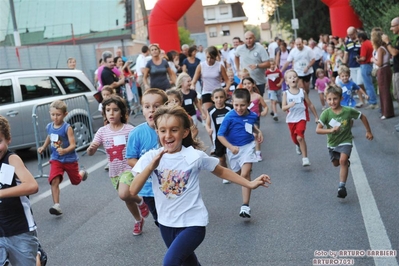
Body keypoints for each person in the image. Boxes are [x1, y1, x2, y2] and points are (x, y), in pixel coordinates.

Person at [129, 104, 271, 266]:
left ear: (185, 132)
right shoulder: (151, 157)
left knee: (170, 262)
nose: (168, 135)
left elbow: (222, 171)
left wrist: (250, 183)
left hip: (193, 223)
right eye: (163, 130)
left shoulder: (194, 156)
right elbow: (133, 189)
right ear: (157, 132)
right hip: (166, 223)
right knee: (189, 263)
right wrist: (150, 167)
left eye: (174, 130)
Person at [86, 95, 149, 235]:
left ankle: (140, 201)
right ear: (104, 113)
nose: (111, 113)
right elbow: (91, 150)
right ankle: (138, 220)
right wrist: (91, 149)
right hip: (115, 172)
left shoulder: (129, 129)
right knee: (126, 198)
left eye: (115, 110)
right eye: (108, 110)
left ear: (122, 112)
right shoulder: (102, 131)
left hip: (129, 168)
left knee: (123, 194)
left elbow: (137, 147)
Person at [316, 85, 373, 198]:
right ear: (326, 99)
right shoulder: (326, 113)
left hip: (346, 141)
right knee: (336, 163)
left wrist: (368, 131)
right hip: (332, 143)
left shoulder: (347, 111)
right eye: (330, 99)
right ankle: (344, 163)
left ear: (341, 98)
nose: (332, 102)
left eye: (335, 98)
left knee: (343, 160)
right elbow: (318, 130)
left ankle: (341, 187)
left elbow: (362, 116)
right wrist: (331, 130)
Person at [217, 89, 265, 218]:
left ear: (249, 103)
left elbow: (251, 126)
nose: (239, 108)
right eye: (236, 105)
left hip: (248, 146)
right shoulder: (229, 117)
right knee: (238, 175)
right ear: (232, 103)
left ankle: (245, 206)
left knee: (245, 174)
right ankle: (246, 174)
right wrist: (231, 147)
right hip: (233, 149)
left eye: (242, 105)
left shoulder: (252, 115)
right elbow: (220, 135)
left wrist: (258, 132)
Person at [0, 115, 40, 265]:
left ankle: (38, 254)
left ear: (8, 139)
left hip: (19, 230)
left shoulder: (11, 159)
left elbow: (32, 186)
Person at [126, 88, 169, 227]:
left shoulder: (171, 130)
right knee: (160, 221)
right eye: (147, 107)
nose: (151, 110)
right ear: (142, 110)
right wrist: (149, 166)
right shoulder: (136, 133)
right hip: (149, 189)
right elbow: (130, 159)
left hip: (171, 185)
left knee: (174, 220)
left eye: (157, 106)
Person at [37, 100, 88, 216]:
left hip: (69, 159)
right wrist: (43, 147)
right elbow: (50, 137)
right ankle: (57, 205)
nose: (55, 117)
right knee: (54, 180)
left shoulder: (67, 128)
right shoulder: (49, 126)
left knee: (76, 181)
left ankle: (82, 173)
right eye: (52, 114)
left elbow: (73, 145)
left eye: (58, 115)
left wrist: (65, 150)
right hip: (56, 159)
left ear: (65, 114)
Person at [282, 70, 319, 166]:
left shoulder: (302, 92)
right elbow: (283, 108)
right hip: (291, 119)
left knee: (300, 137)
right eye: (290, 77)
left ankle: (305, 158)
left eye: (294, 76)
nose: (292, 79)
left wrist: (316, 117)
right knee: (295, 139)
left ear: (297, 79)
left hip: (301, 117)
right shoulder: (286, 94)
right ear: (286, 82)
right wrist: (289, 105)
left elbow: (310, 104)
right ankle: (297, 145)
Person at [191, 46, 231, 119]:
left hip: (218, 92)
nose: (209, 60)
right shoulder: (201, 66)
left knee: (220, 115)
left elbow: (227, 80)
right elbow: (194, 80)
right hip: (206, 92)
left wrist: (227, 88)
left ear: (215, 57)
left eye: (212, 58)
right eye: (207, 57)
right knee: (209, 116)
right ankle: (210, 129)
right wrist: (193, 86)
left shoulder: (219, 66)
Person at [205, 88, 233, 184]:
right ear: (212, 99)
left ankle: (236, 170)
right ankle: (226, 174)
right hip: (218, 138)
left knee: (232, 154)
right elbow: (207, 123)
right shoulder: (211, 110)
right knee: (221, 158)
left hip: (230, 136)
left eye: (221, 97)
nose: (219, 100)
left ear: (225, 97)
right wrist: (209, 129)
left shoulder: (230, 108)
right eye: (216, 97)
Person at [235, 31, 270, 96]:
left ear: (254, 38)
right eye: (246, 39)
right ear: (244, 39)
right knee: (246, 102)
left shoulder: (260, 48)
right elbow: (236, 56)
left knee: (258, 102)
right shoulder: (240, 48)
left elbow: (268, 64)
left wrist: (257, 65)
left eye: (250, 38)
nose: (248, 41)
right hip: (246, 82)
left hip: (258, 81)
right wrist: (238, 69)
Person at [242, 77, 268, 161]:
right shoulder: (242, 96)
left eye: (249, 83)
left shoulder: (257, 96)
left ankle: (258, 152)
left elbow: (265, 106)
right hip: (244, 119)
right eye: (245, 84)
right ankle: (248, 152)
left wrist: (265, 111)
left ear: (253, 84)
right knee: (246, 135)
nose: (247, 85)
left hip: (255, 119)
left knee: (255, 134)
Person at [371, 28, 395, 119]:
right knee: (384, 90)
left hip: (382, 69)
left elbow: (380, 63)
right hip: (386, 68)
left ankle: (387, 112)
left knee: (384, 91)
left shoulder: (380, 49)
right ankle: (386, 111)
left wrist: (373, 60)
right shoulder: (384, 47)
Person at [343, 26, 366, 108]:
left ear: (355, 32)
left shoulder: (360, 41)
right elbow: (346, 54)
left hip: (360, 64)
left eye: (351, 34)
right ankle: (361, 101)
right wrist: (344, 63)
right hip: (352, 65)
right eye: (348, 35)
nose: (350, 36)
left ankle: (366, 95)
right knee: (356, 84)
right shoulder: (347, 42)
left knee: (360, 82)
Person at [357, 31, 378, 109]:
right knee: (371, 84)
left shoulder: (364, 45)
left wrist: (358, 59)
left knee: (368, 85)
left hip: (365, 65)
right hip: (371, 64)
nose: (357, 39)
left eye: (358, 38)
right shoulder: (370, 42)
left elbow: (363, 58)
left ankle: (373, 102)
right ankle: (373, 101)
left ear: (361, 38)